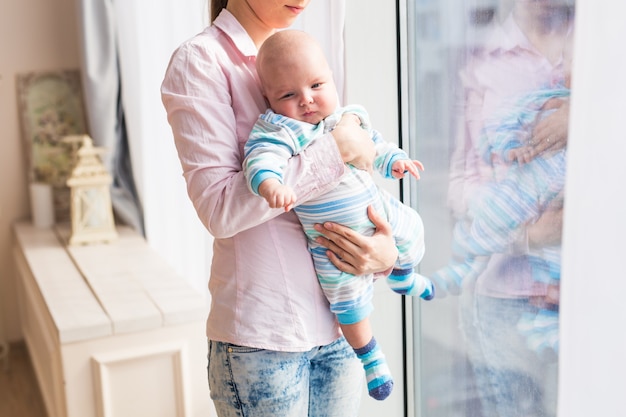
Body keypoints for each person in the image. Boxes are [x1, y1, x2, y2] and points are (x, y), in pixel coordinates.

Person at [160, 1, 400, 416]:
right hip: (265, 343)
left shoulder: (298, 51)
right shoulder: (200, 61)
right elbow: (218, 208)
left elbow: (349, 185)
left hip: (339, 331)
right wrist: (335, 150)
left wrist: (384, 252)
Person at [243, 29, 435, 401]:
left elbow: (376, 146)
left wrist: (395, 161)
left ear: (331, 77)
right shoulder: (281, 129)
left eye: (316, 84)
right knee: (346, 299)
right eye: (288, 94)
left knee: (412, 228)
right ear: (269, 99)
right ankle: (370, 356)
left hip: (379, 210)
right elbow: (260, 160)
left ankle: (404, 277)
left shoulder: (347, 117)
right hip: (330, 239)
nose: (307, 100)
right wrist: (270, 185)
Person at [443, 1, 574, 415]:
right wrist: (525, 233)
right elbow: (461, 184)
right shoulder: (484, 57)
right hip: (506, 296)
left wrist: (580, 115)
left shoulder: (602, 41)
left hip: (594, 290)